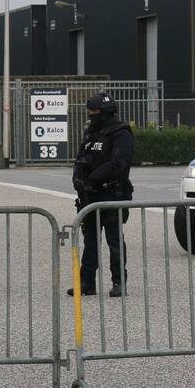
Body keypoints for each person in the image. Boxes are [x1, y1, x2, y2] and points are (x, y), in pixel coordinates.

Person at [69, 92, 135, 298]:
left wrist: (93, 179)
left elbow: (119, 163)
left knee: (114, 240)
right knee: (90, 241)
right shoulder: (91, 134)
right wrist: (78, 180)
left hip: (112, 194)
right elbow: (81, 159)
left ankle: (119, 282)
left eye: (94, 113)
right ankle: (86, 282)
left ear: (105, 112)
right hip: (89, 196)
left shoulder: (121, 133)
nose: (90, 117)